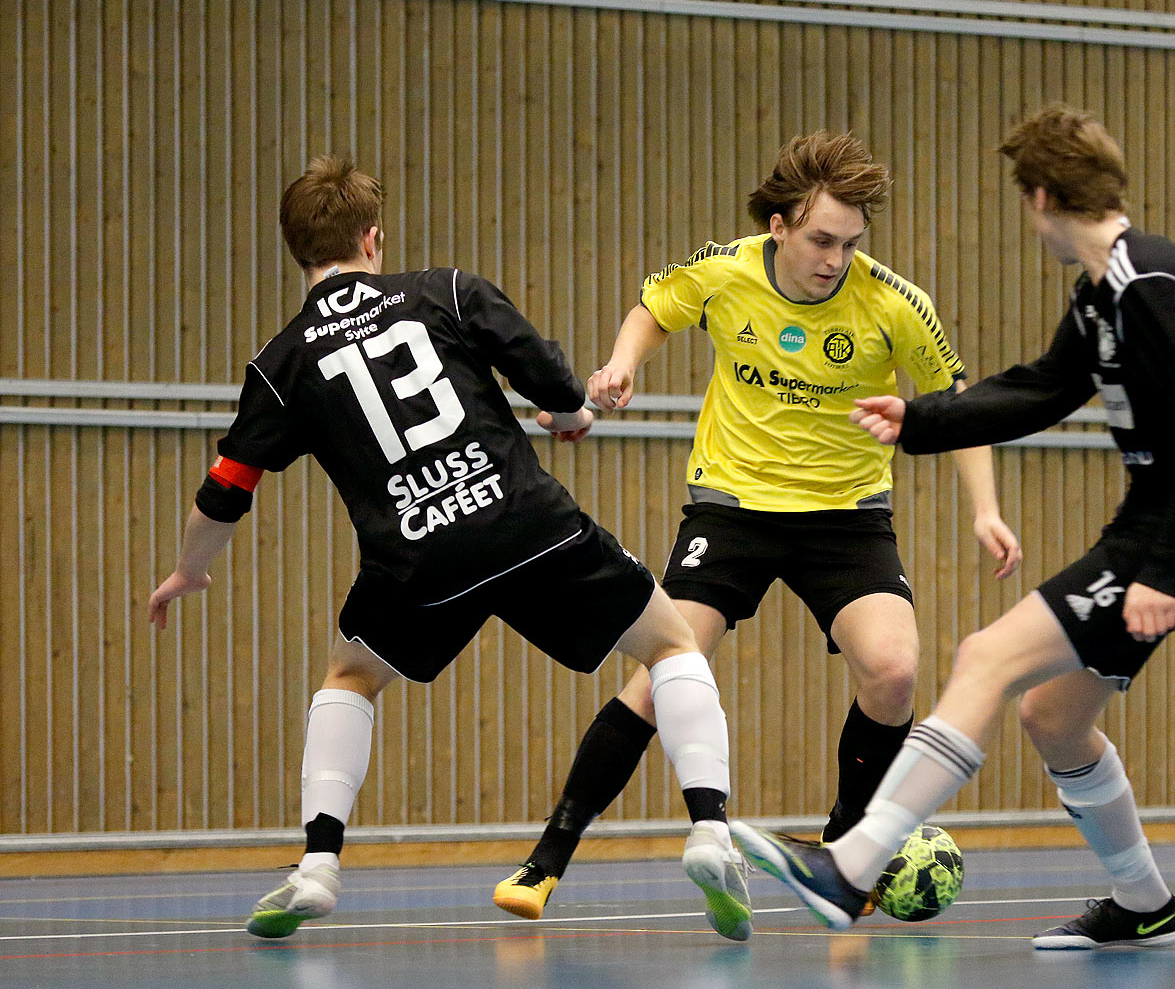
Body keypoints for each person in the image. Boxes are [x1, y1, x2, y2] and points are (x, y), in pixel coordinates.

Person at [146, 156, 747, 941]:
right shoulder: (448, 291)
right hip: (528, 526)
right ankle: (710, 831)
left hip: (416, 561)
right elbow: (553, 384)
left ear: (298, 252)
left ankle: (319, 863)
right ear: (373, 237)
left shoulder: (283, 362)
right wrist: (570, 417)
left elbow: (226, 488)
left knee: (350, 678)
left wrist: (190, 569)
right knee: (671, 647)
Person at [731, 104, 1175, 948]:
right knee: (1053, 716)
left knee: (984, 658)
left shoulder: (1149, 283)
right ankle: (1144, 904)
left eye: (1026, 202)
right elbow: (1043, 388)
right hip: (1163, 527)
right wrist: (920, 419)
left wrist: (1166, 571)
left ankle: (851, 865)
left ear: (1043, 195)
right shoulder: (1102, 294)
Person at [493, 131, 1020, 922]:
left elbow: (959, 406)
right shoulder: (726, 270)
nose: (834, 259)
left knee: (895, 669)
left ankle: (844, 849)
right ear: (778, 226)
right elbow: (655, 308)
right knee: (665, 671)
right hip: (732, 509)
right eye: (819, 240)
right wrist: (622, 364)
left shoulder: (893, 303)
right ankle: (546, 860)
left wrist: (985, 508)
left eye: (849, 243)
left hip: (846, 519)